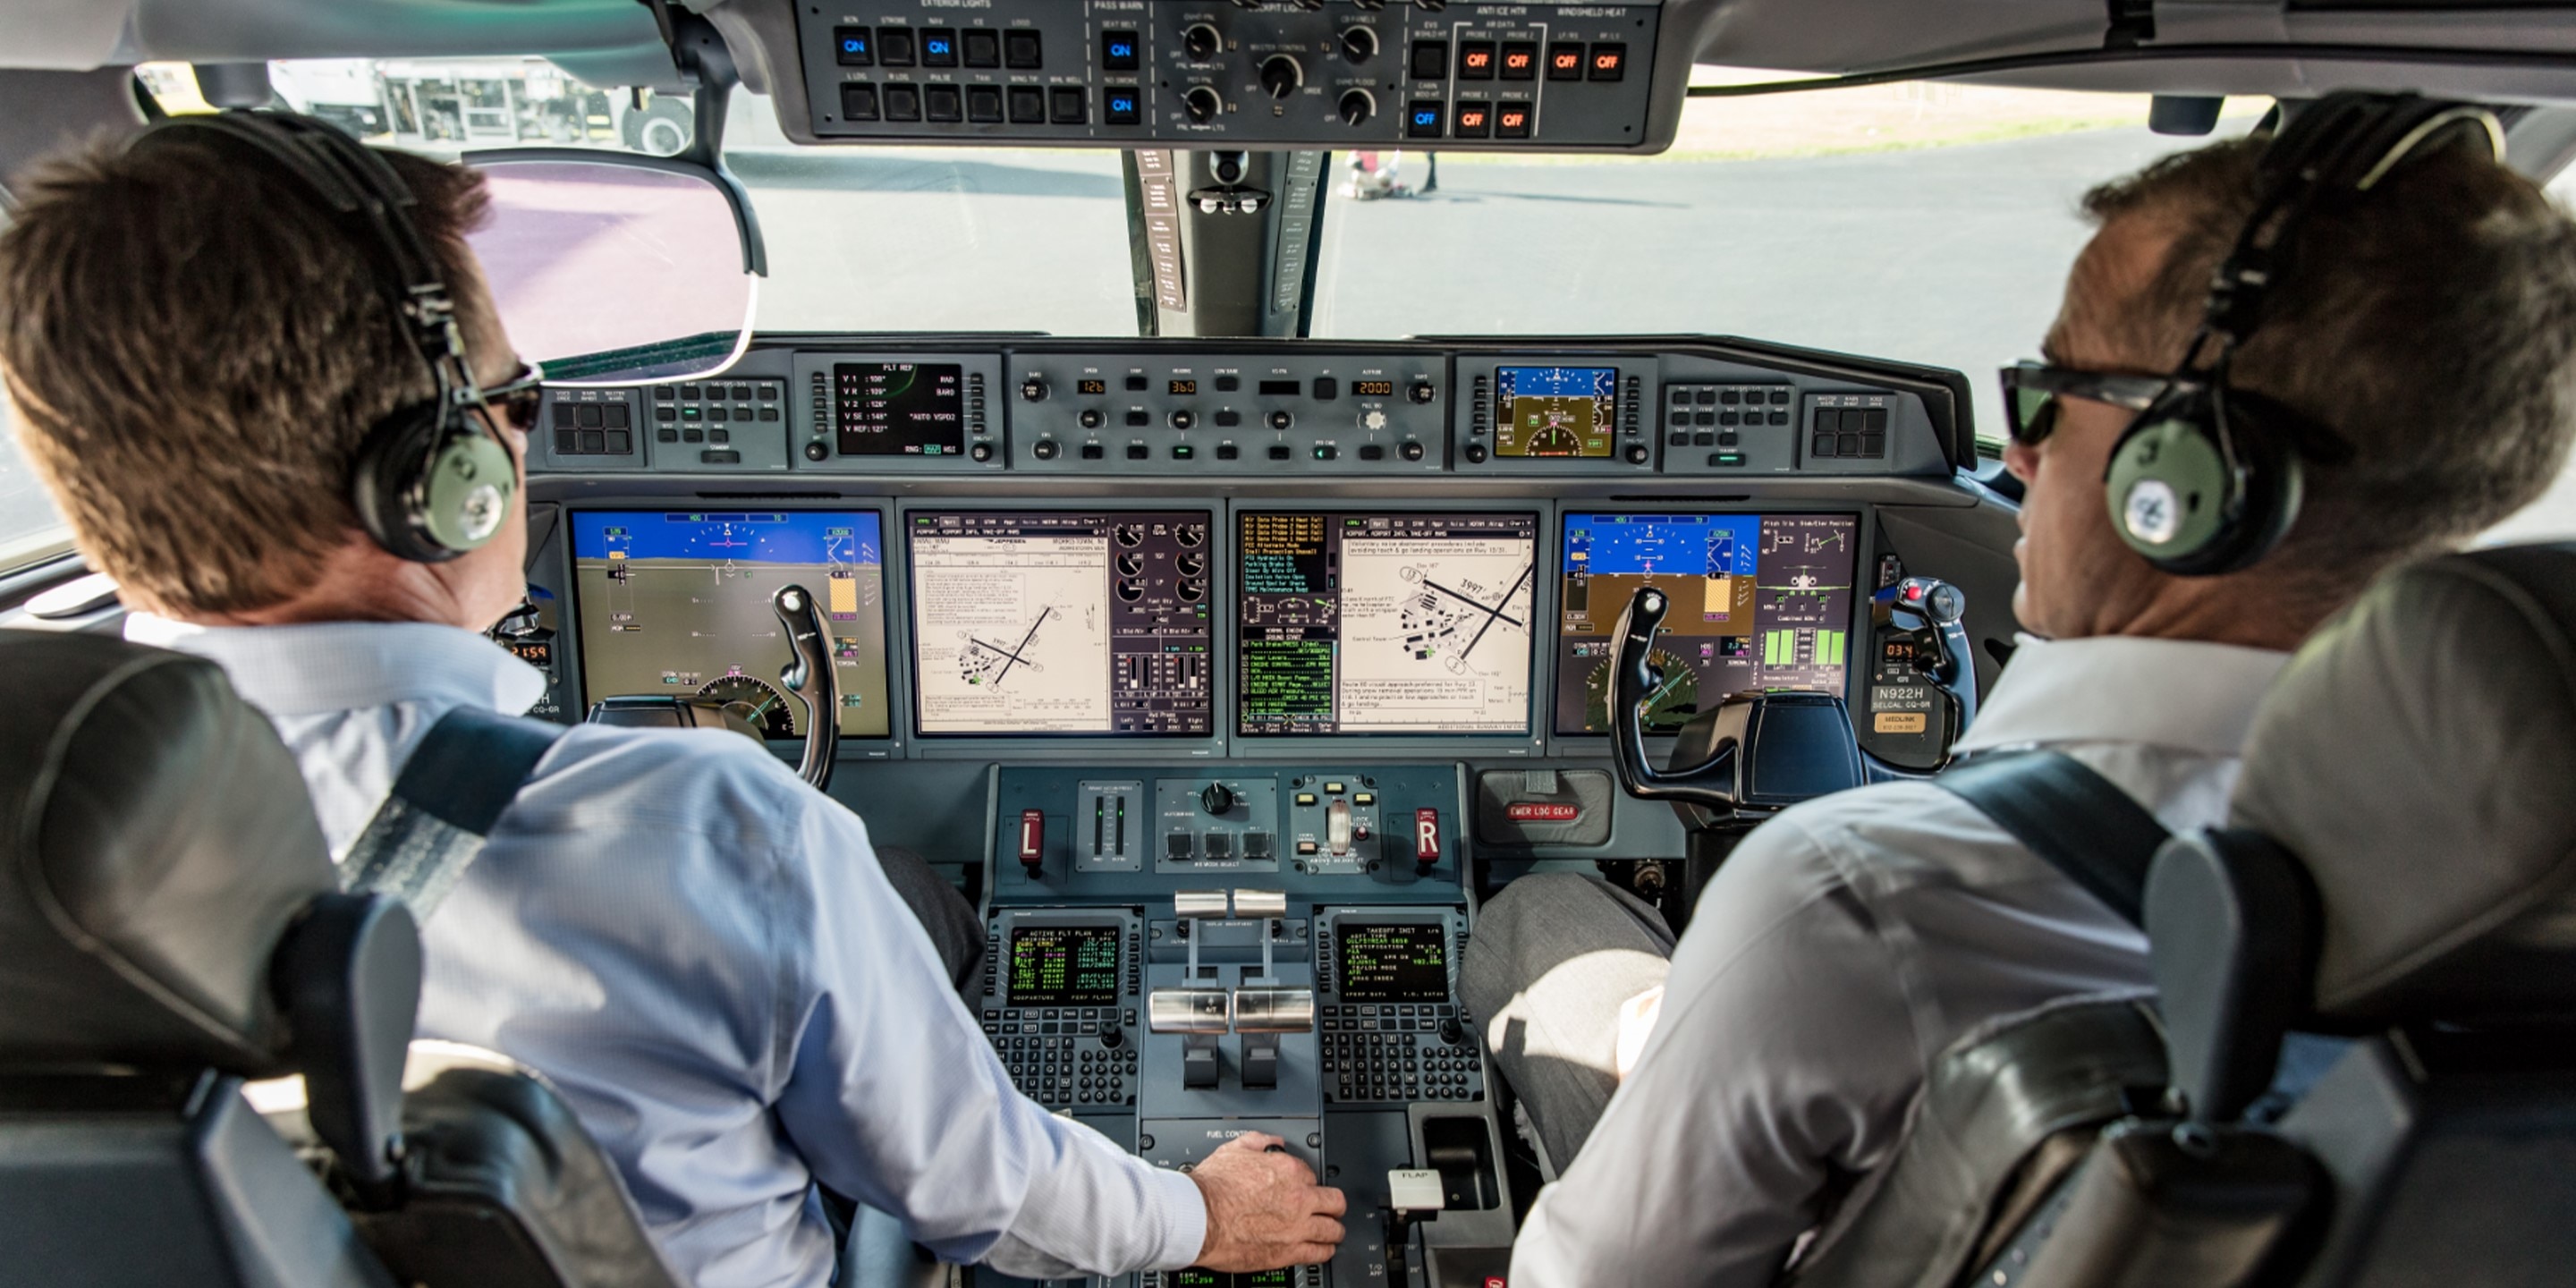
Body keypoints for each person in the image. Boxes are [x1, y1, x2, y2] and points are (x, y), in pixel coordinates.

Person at [0, 123, 1345, 1286]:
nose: (523, 441)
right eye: (513, 401)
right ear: (441, 475)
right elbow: (978, 1185)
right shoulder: (710, 832)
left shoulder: (36, 852)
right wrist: (1200, 1212)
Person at [1461, 114, 2576, 1285]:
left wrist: (1720, 1019)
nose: (2022, 454)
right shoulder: (2519, 869)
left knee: (1544, 922)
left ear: (2183, 481)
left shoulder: (1858, 899)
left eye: (2048, 394)